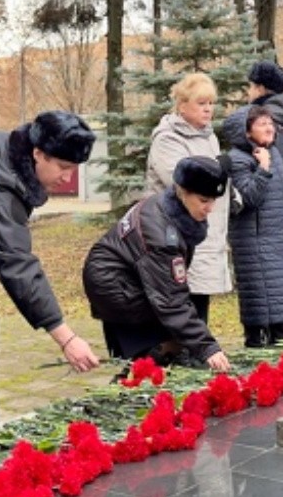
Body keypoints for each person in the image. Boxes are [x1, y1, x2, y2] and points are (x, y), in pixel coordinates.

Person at [0, 111, 101, 425]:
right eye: (62, 166)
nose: (67, 177)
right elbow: (16, 262)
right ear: (38, 153)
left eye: (74, 169)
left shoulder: (10, 159)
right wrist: (67, 338)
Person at [83, 156, 232, 372]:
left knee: (169, 352)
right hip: (117, 287)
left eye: (213, 201)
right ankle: (121, 397)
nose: (210, 208)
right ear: (182, 191)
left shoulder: (174, 210)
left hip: (131, 279)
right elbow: (171, 300)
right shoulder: (162, 235)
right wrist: (207, 347)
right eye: (203, 200)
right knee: (151, 360)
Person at [224, 105, 283, 347]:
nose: (269, 128)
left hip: (279, 242)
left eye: (270, 123)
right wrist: (263, 168)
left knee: (281, 311)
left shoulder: (270, 153)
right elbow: (249, 198)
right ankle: (258, 355)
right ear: (246, 132)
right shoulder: (239, 160)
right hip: (256, 246)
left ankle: (278, 356)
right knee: (261, 309)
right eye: (262, 124)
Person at [146, 73, 232, 324]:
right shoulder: (168, 139)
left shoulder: (209, 137)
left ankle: (197, 352)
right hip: (177, 234)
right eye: (201, 103)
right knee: (180, 298)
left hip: (206, 229)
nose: (208, 109)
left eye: (211, 103)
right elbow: (181, 180)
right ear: (182, 106)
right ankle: (178, 353)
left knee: (200, 299)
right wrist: (220, 168)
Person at [246, 60, 283, 198]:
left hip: (262, 197)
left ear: (260, 89)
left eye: (250, 86)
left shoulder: (258, 119)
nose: (248, 92)